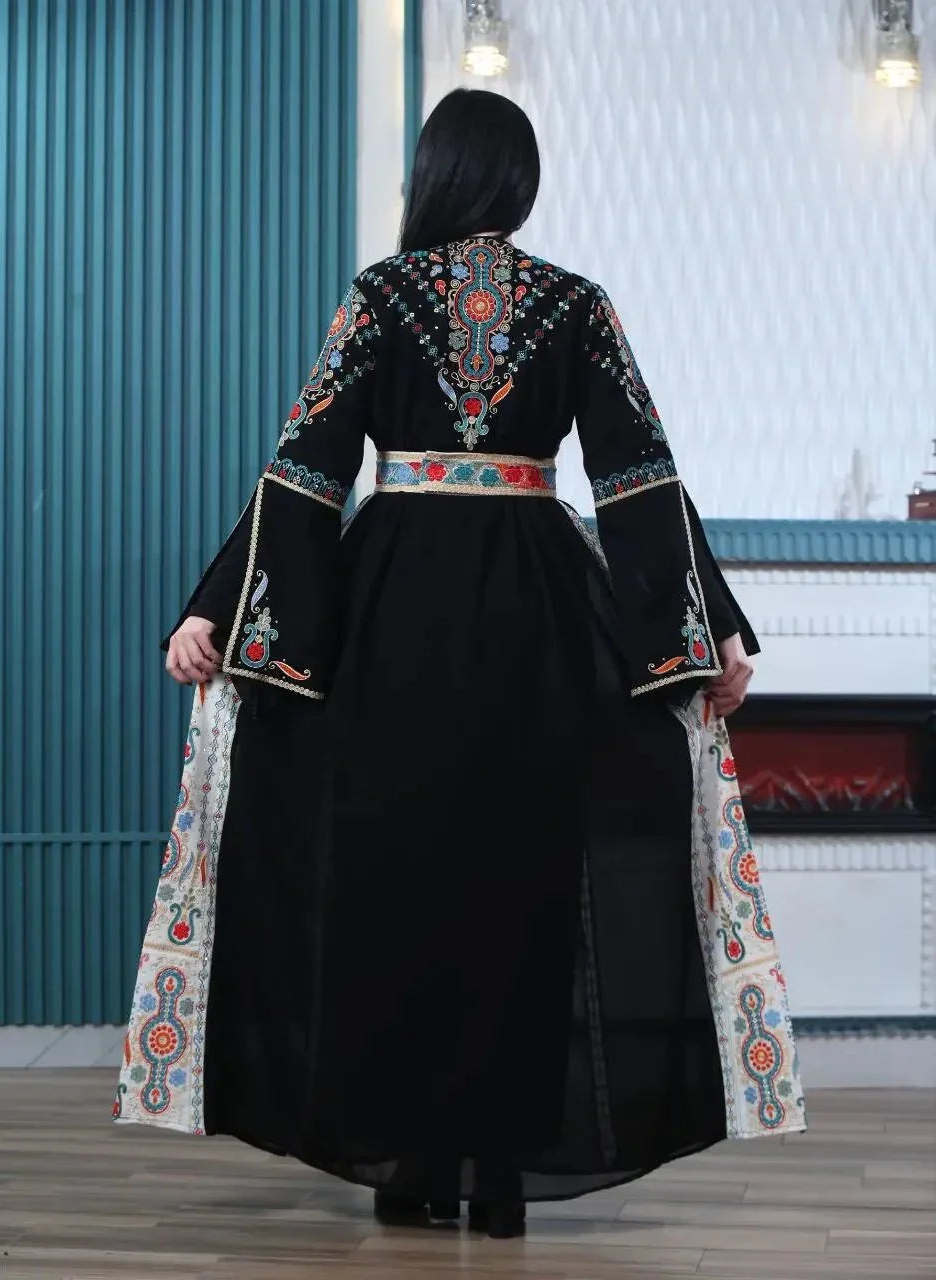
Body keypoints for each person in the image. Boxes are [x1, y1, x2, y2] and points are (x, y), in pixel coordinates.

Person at [115, 88, 805, 1240]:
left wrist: (217, 610)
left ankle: (408, 1166)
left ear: (433, 176)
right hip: (542, 619)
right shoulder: (576, 304)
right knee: (524, 885)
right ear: (519, 182)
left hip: (391, 619)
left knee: (398, 887)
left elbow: (308, 468)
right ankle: (500, 1180)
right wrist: (710, 631)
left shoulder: (381, 296)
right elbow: (640, 477)